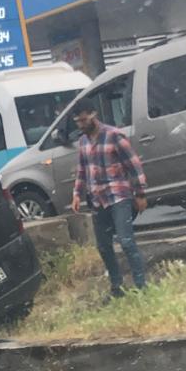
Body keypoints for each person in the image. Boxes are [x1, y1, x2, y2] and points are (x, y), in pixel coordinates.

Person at [69, 104, 150, 299]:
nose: (81, 125)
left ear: (93, 114)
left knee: (126, 241)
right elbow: (82, 169)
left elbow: (134, 165)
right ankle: (117, 287)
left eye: (83, 120)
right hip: (97, 199)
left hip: (118, 195)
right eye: (77, 122)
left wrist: (140, 194)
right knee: (103, 246)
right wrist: (77, 194)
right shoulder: (83, 142)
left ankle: (142, 287)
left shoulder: (114, 135)